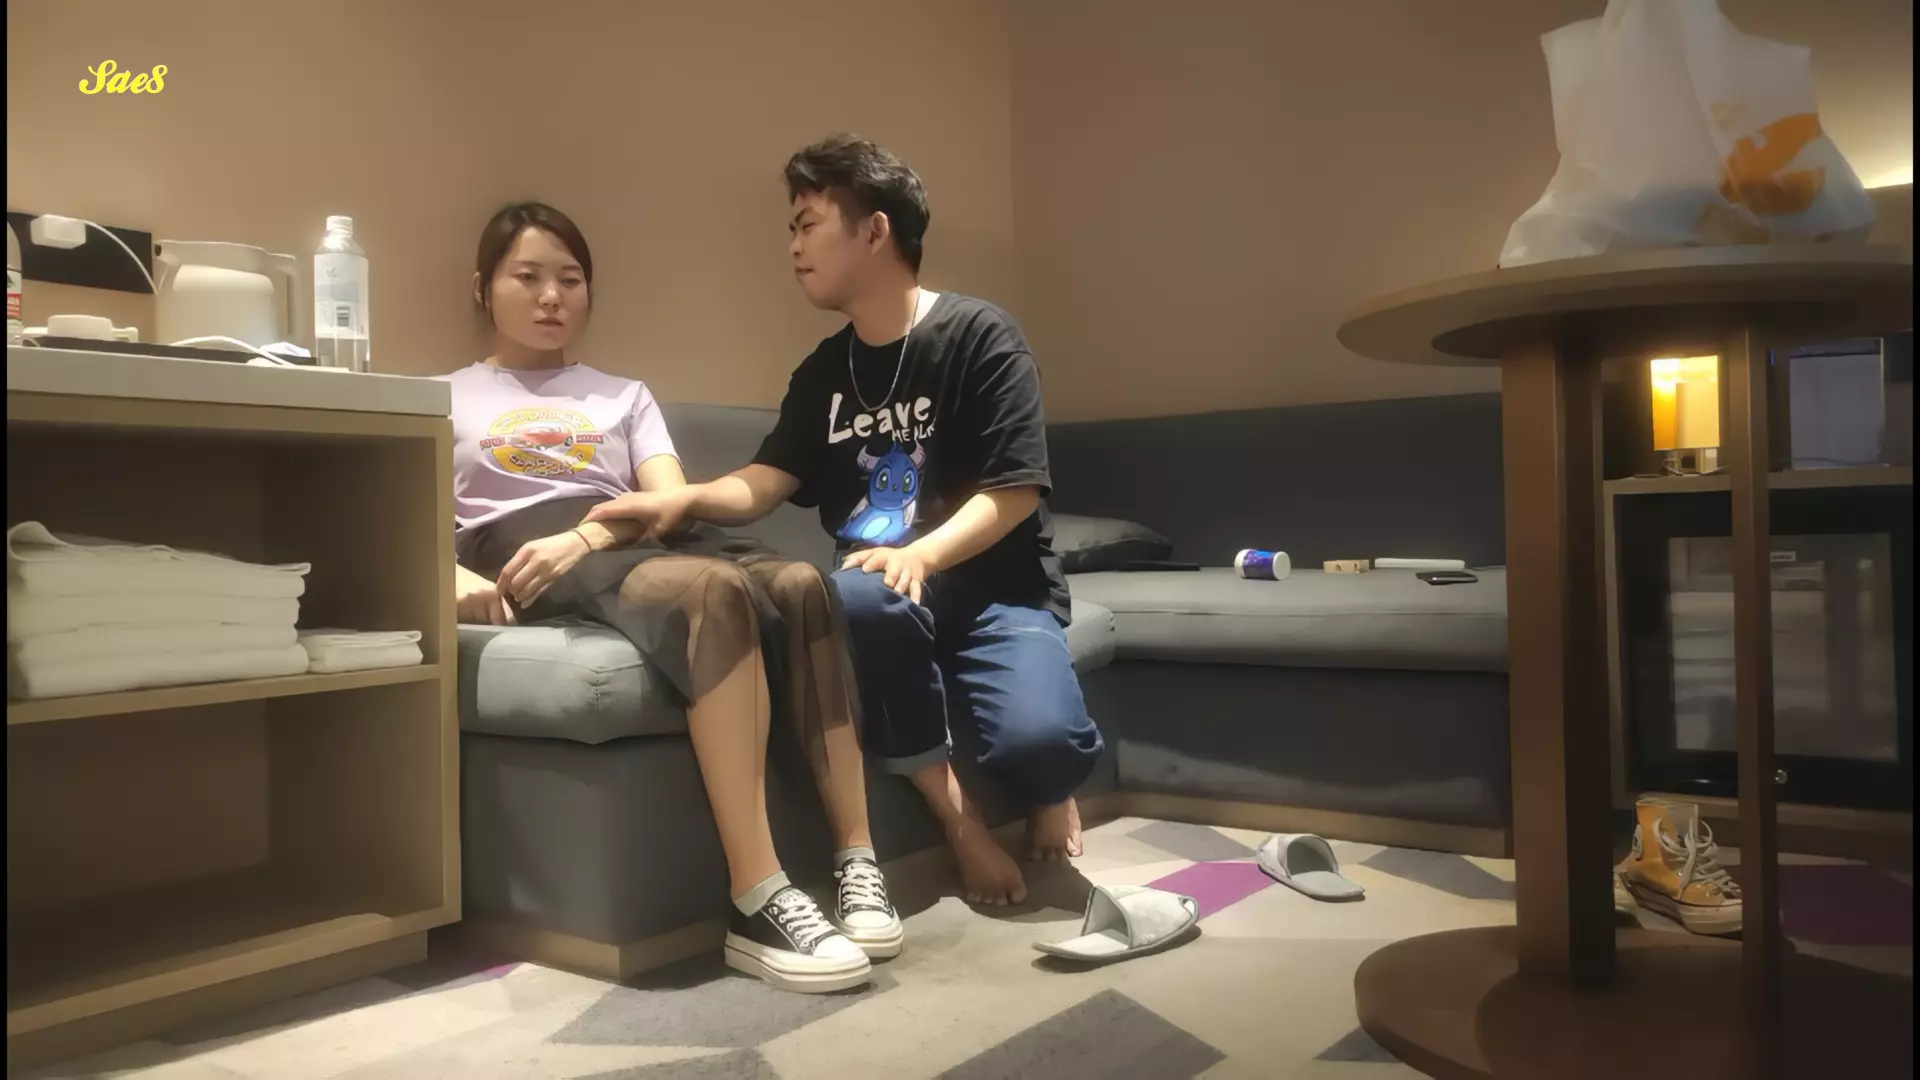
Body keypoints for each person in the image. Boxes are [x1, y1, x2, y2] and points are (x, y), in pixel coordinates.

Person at [586, 136, 1105, 906]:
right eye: (791, 231)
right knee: (854, 592)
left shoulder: (980, 336)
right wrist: (683, 498)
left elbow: (1015, 493)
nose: (794, 247)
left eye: (808, 225)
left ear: (874, 231)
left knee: (1045, 745)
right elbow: (766, 482)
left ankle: (1049, 784)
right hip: (879, 594)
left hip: (999, 594)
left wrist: (923, 555)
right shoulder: (824, 371)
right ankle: (958, 823)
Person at [444, 202, 901, 992]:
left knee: (801, 583)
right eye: (529, 277)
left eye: (571, 279)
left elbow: (665, 501)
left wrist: (593, 535)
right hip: (524, 545)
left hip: (620, 535)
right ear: (483, 288)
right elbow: (404, 516)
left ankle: (856, 860)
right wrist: (452, 579)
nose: (552, 296)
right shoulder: (444, 396)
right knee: (714, 592)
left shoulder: (622, 395)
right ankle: (757, 897)